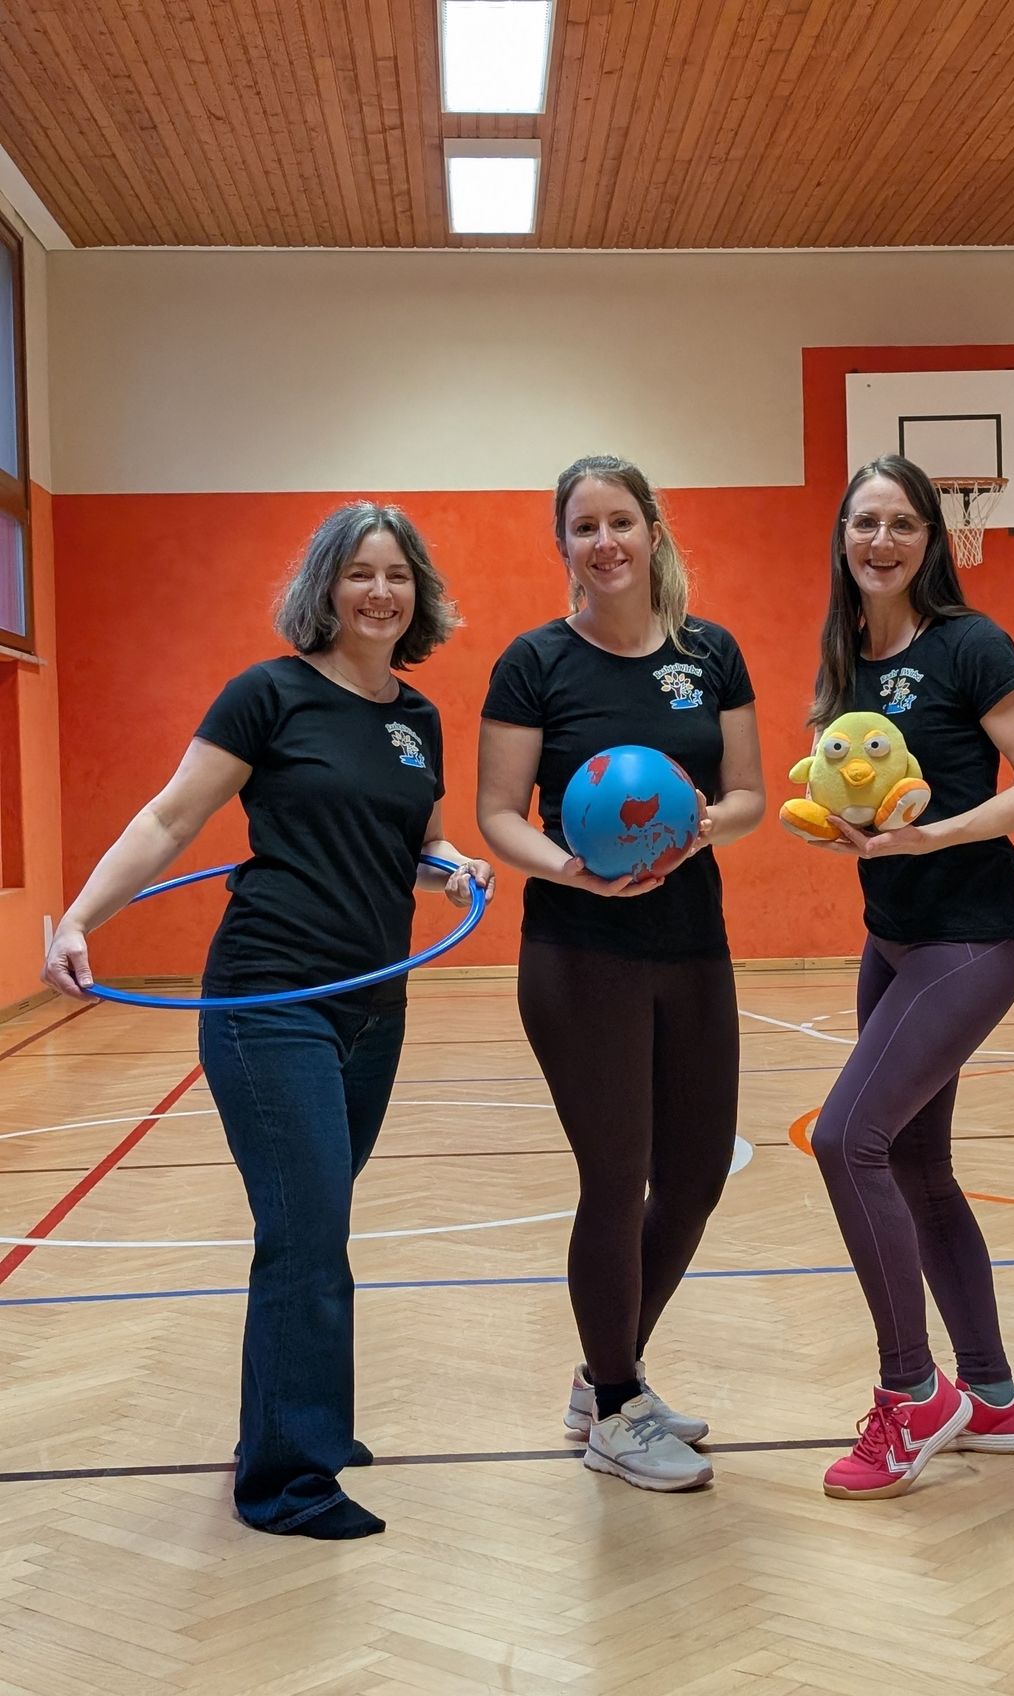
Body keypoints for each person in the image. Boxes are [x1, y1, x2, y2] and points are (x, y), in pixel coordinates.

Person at [42, 502, 494, 1539]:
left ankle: (296, 1423)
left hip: (375, 1004)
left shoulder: (414, 717)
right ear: (326, 589)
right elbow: (169, 817)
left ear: (416, 594)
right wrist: (77, 918)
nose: (380, 592)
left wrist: (453, 863)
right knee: (308, 1234)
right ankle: (288, 1479)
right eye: (360, 574)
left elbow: (419, 839)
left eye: (397, 576)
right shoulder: (269, 695)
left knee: (312, 1225)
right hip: (268, 999)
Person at [477, 454, 765, 1493]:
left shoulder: (711, 652)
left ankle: (608, 1375)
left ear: (654, 533)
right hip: (577, 947)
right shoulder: (535, 662)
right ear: (566, 547)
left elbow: (747, 795)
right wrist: (573, 868)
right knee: (614, 1176)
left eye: (621, 523)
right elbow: (499, 810)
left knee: (692, 1177)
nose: (605, 543)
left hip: (692, 939)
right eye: (584, 527)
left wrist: (691, 837)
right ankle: (613, 1406)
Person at [805, 454, 1014, 1501]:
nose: (881, 541)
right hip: (893, 938)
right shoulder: (844, 654)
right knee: (917, 1167)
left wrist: (937, 839)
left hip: (971, 942)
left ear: (931, 540)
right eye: (865, 522)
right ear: (844, 535)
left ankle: (914, 1394)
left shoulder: (970, 643)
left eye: (901, 524)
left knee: (843, 1138)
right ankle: (994, 1397)